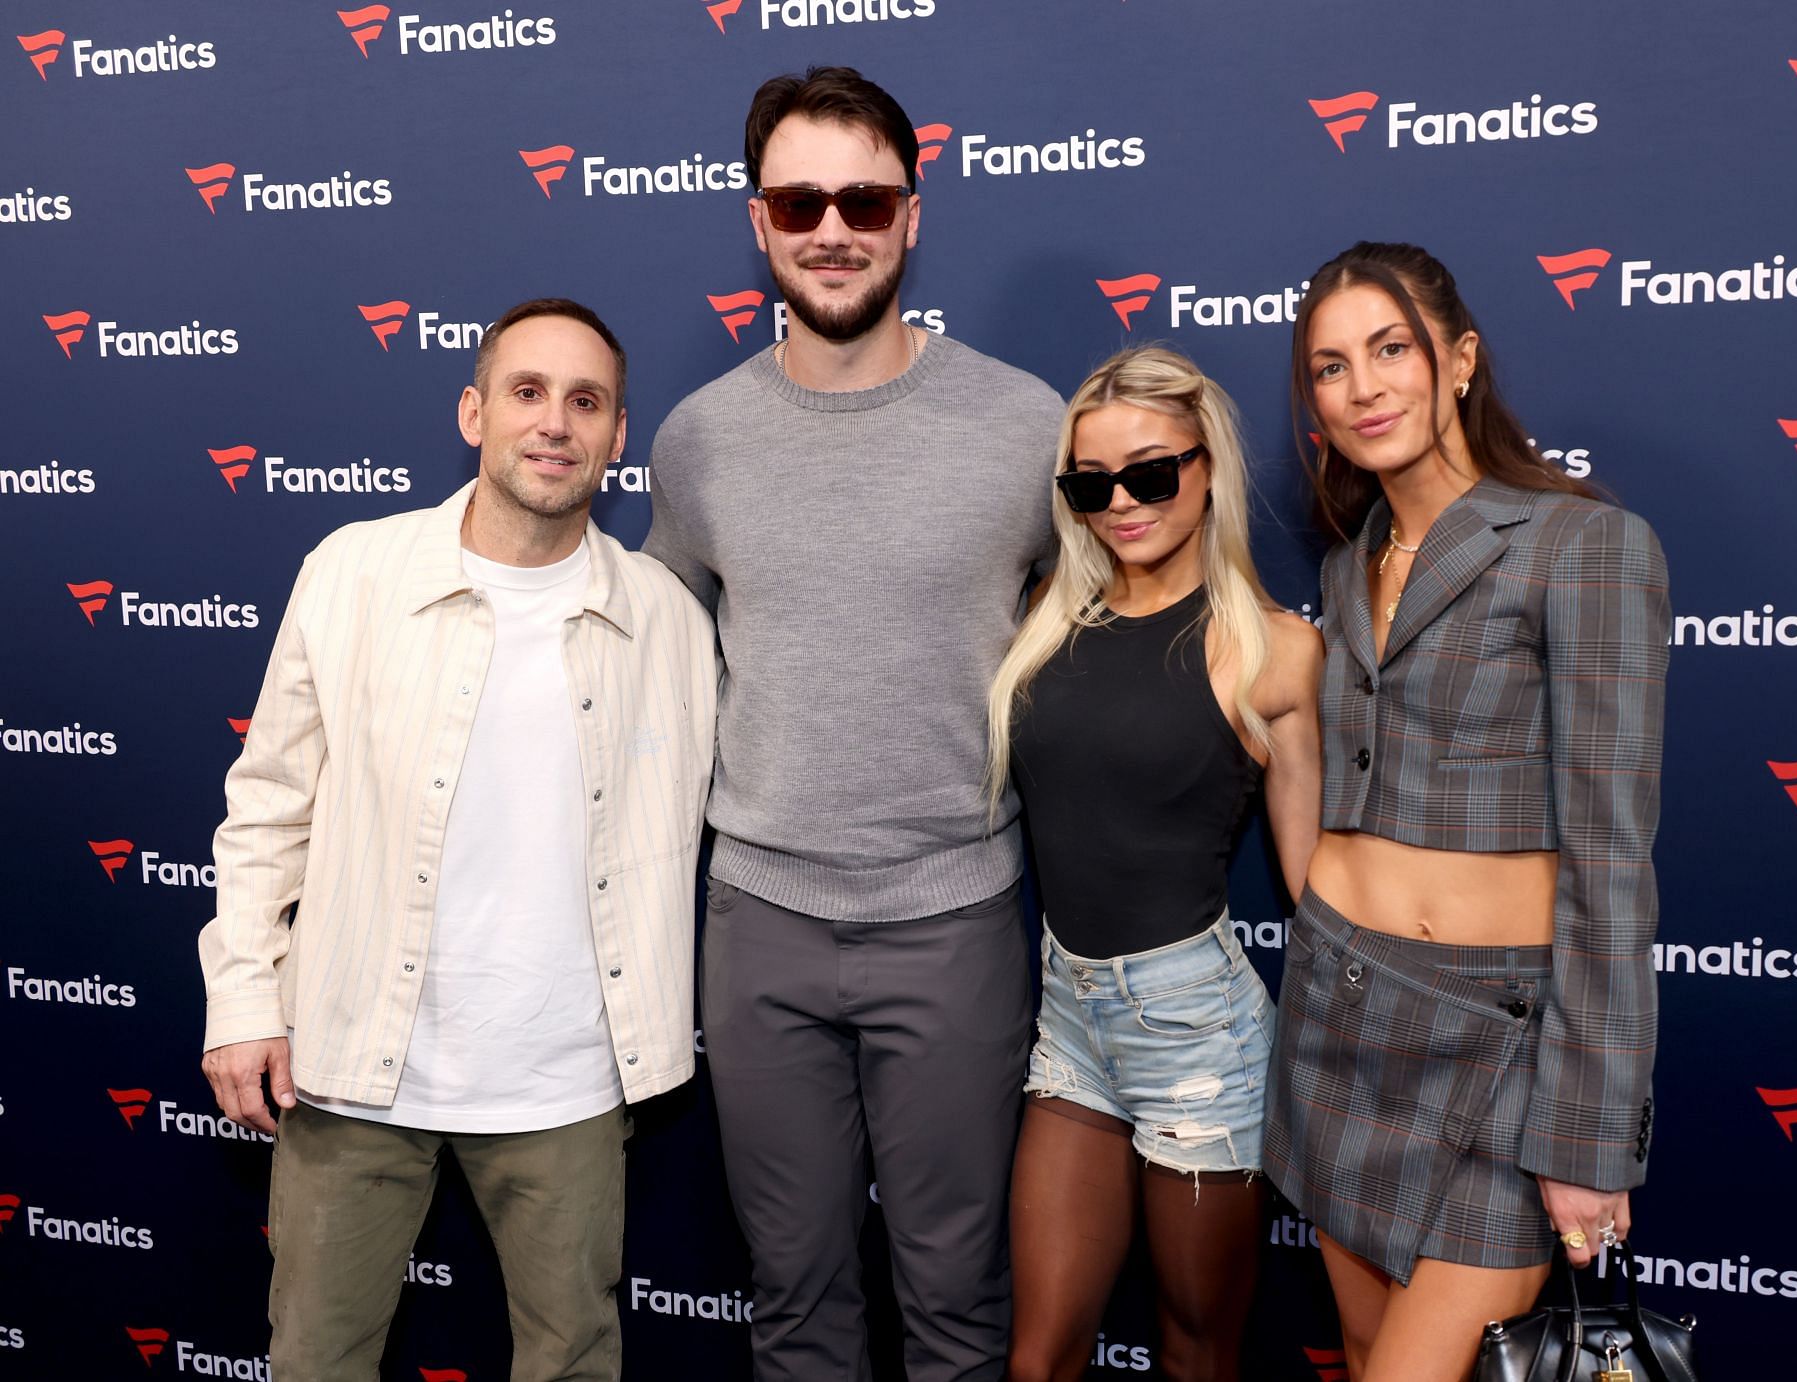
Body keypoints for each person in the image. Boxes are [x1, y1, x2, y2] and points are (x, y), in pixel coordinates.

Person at [198, 298, 717, 1382]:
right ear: (474, 409)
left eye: (587, 401)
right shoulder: (354, 571)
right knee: (316, 1361)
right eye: (527, 392)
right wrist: (244, 997)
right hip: (351, 1070)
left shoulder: (668, 617)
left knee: (573, 1361)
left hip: (565, 1080)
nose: (555, 424)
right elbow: (270, 803)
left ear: (620, 436)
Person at [642, 67, 1064, 1382]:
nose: (834, 227)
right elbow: (647, 665)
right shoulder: (697, 440)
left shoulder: (1025, 424)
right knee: (796, 1303)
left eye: (864, 198)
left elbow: (1115, 636)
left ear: (912, 215)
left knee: (956, 1304)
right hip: (756, 927)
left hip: (954, 922)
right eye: (801, 200)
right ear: (759, 222)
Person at [1264, 242, 1670, 1382]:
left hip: (1494, 1047)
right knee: (1359, 1350)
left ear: (1461, 359)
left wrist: (1588, 1136)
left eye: (1392, 348)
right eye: (1332, 367)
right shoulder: (1351, 567)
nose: (1365, 387)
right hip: (1336, 1013)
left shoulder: (1584, 547)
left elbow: (1611, 859)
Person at [986, 346, 1323, 1382]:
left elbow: (1314, 888)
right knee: (1038, 1357)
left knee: (1195, 1353)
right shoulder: (1049, 617)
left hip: (1197, 1034)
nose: (1121, 503)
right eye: (1091, 484)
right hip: (1069, 1018)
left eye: (1151, 472)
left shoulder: (1271, 650)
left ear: (1208, 464)